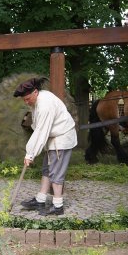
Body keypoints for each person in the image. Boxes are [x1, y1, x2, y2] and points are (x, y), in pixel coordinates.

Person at [13, 78, 77, 216]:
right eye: (24, 100)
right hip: (53, 138)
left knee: (56, 173)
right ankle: (40, 200)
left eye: (28, 98)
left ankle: (58, 206)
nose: (26, 102)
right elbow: (39, 129)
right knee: (47, 170)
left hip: (61, 139)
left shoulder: (45, 105)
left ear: (35, 92)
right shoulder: (38, 100)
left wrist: (30, 154)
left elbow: (41, 131)